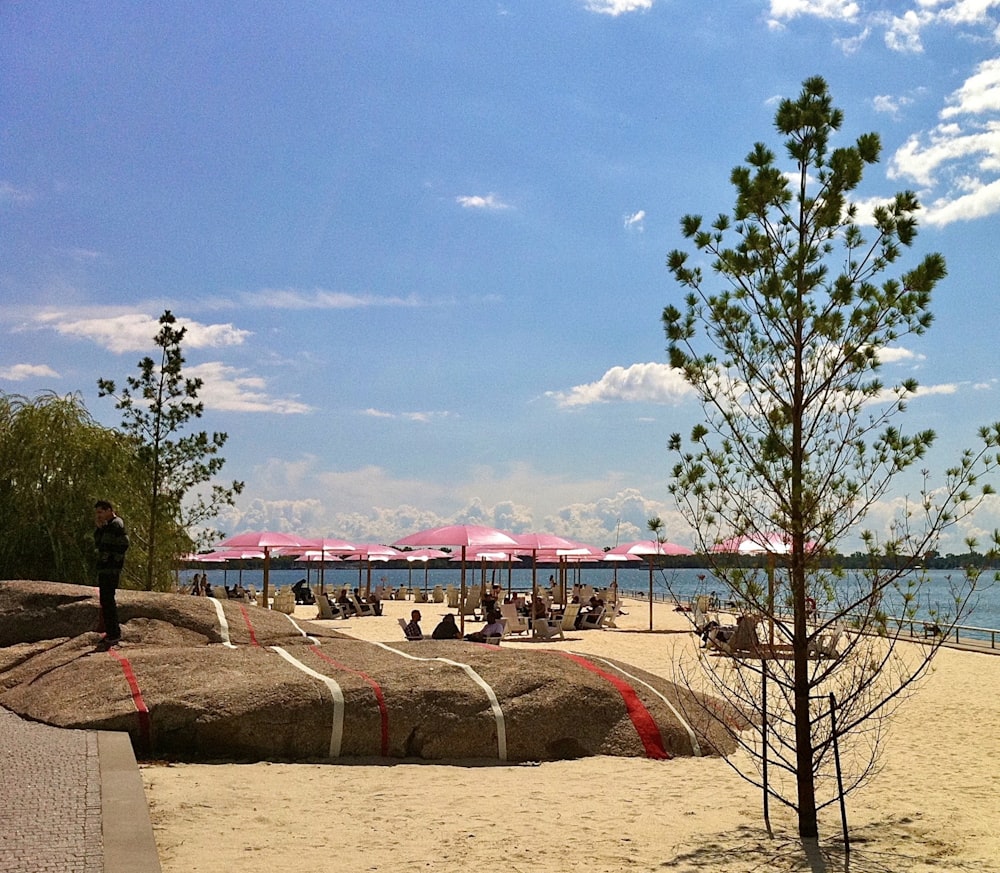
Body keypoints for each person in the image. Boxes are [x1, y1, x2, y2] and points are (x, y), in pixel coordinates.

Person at [93, 500, 129, 648]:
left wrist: (110, 559)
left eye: (101, 512)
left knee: (108, 600)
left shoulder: (115, 524)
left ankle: (114, 633)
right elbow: (99, 543)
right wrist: (99, 529)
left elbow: (113, 545)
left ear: (109, 510)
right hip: (106, 568)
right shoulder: (109, 526)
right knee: (105, 600)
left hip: (111, 569)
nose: (99, 515)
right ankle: (111, 631)